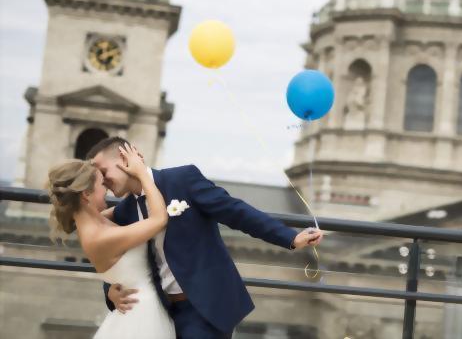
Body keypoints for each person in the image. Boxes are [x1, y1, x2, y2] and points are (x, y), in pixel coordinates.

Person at [88, 137, 323, 338]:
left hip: (204, 306)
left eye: (103, 171)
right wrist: (109, 290)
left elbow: (235, 211)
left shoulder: (183, 179)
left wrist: (290, 238)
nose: (101, 180)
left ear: (129, 157)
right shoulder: (125, 211)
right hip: (161, 312)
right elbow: (115, 256)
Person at [48, 143, 175, 338]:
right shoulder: (100, 237)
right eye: (101, 184)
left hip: (137, 305)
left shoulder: (94, 221)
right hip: (141, 312)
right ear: (86, 194)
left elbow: (128, 208)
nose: (106, 186)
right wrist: (141, 173)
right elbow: (159, 219)